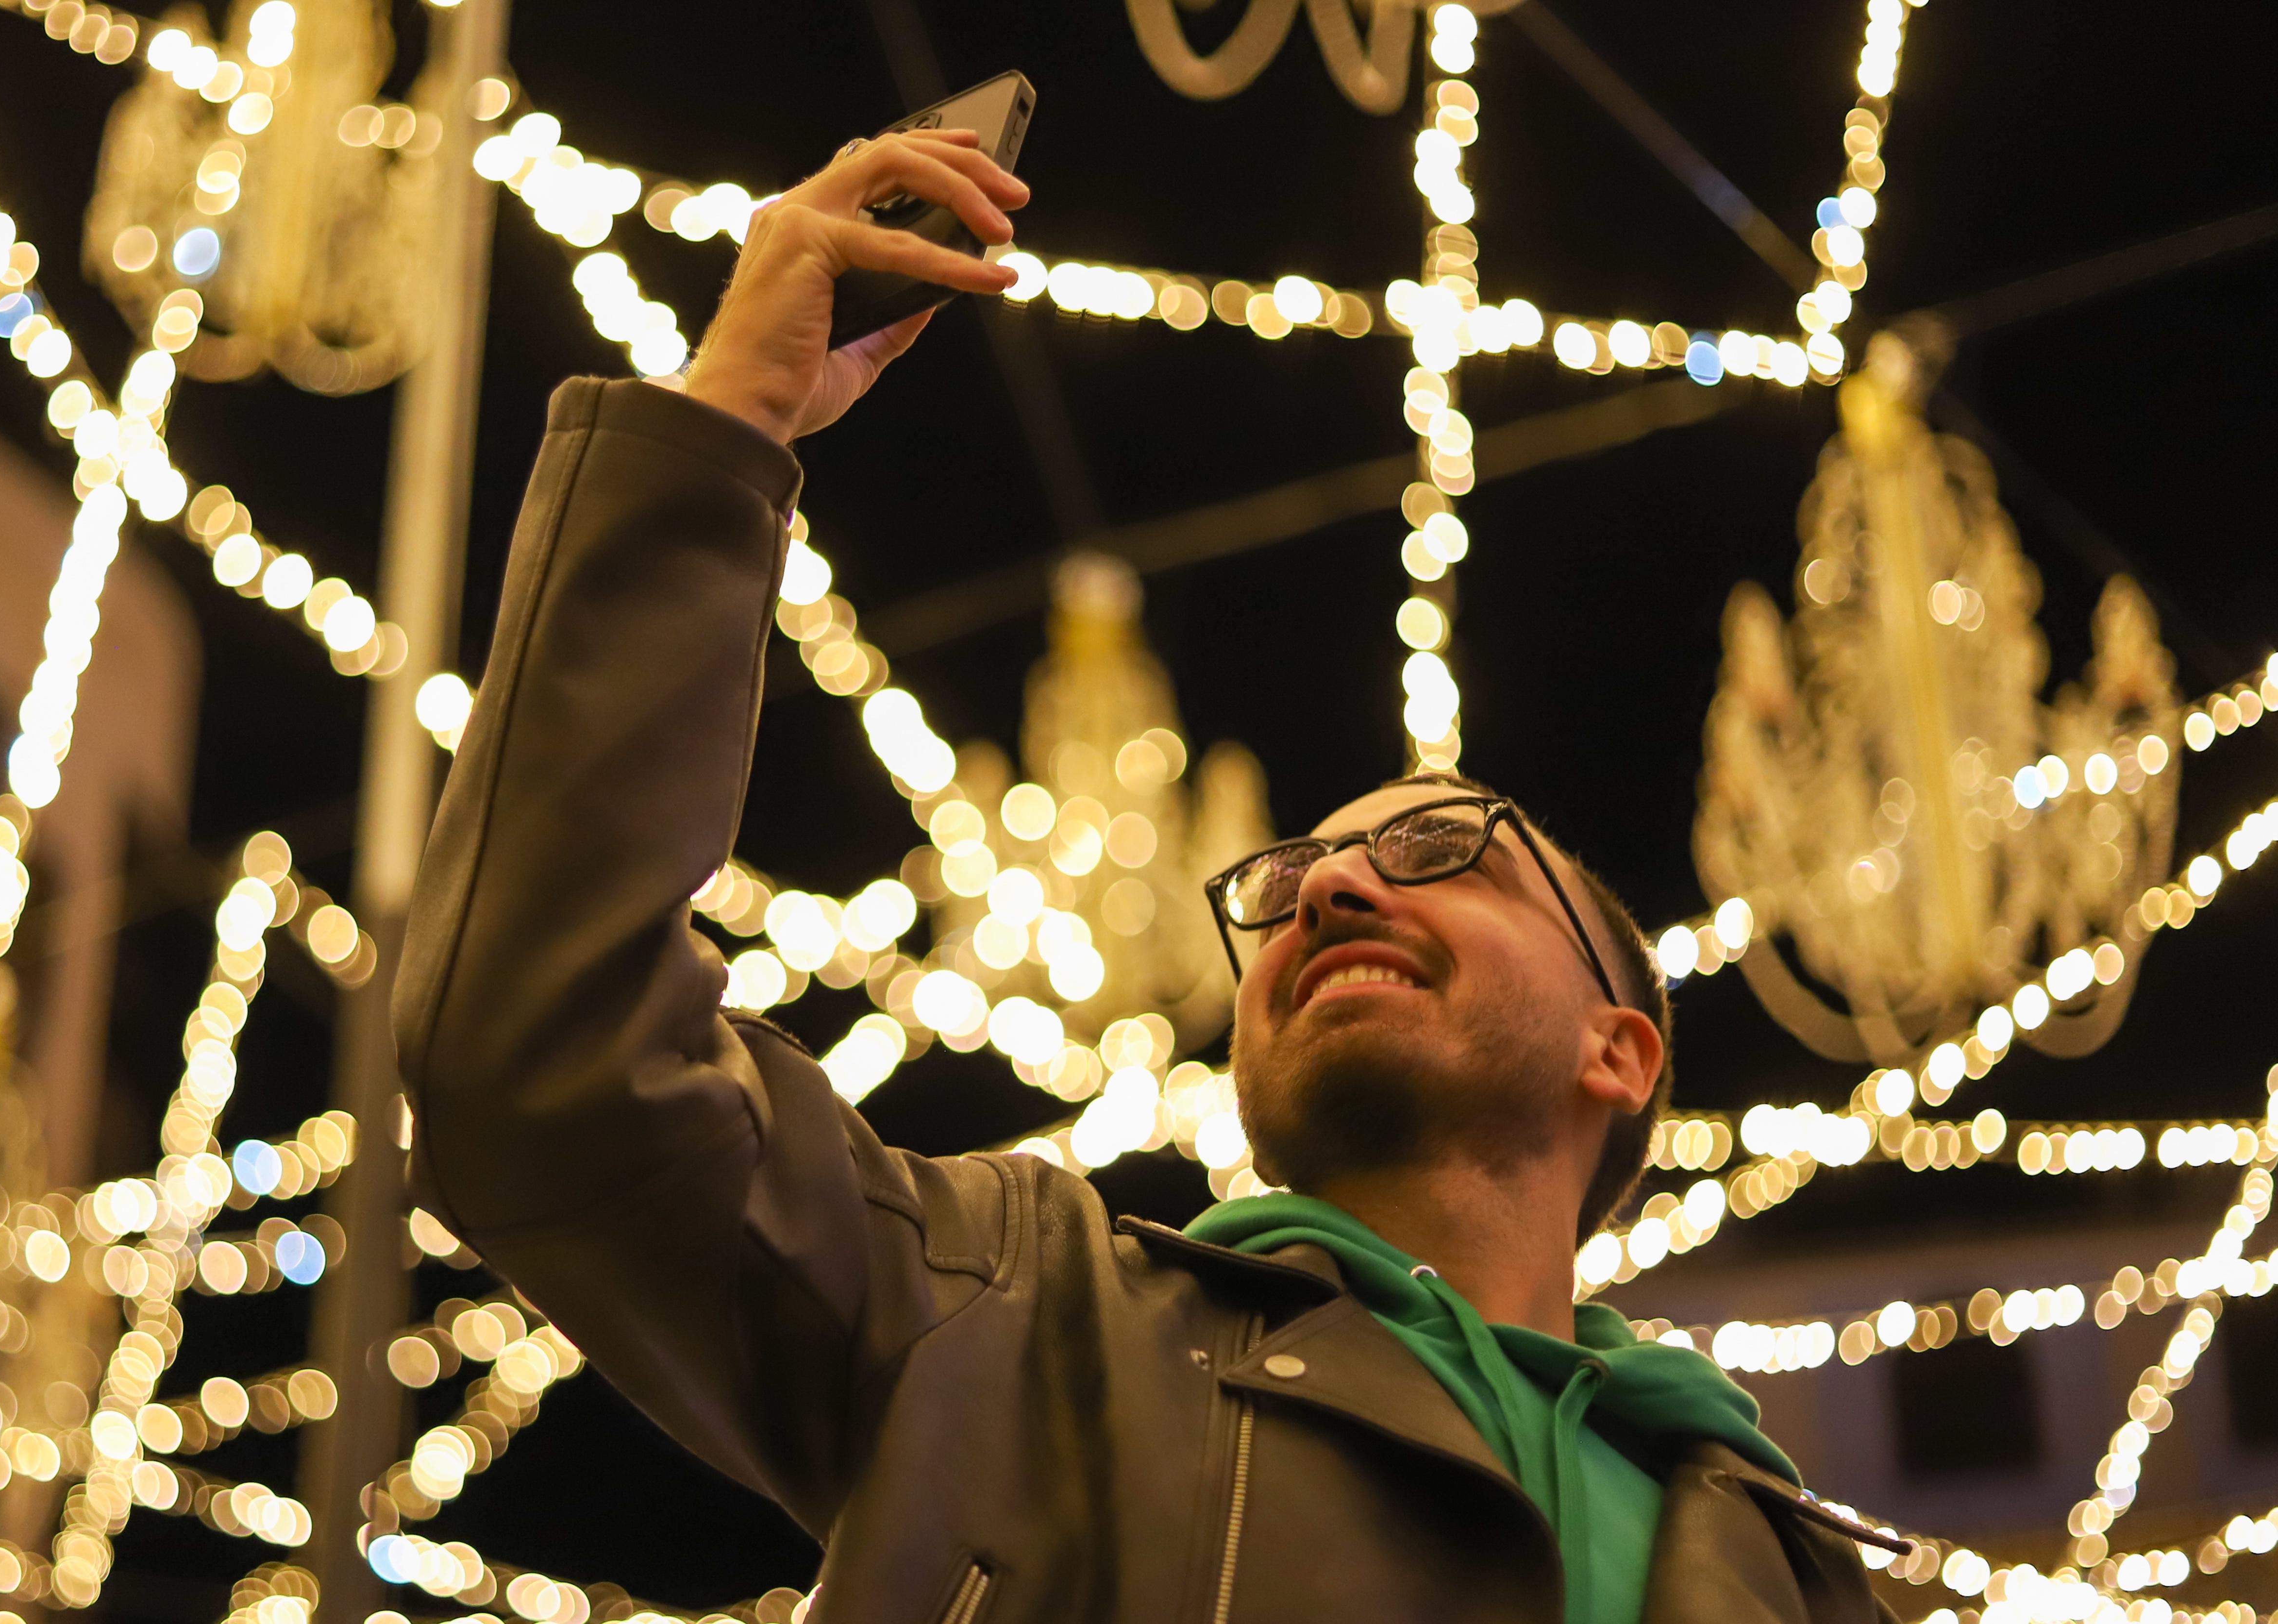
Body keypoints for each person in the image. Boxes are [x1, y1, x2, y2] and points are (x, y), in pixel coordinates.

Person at [395, 128, 1899, 1624]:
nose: (1326, 892)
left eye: (1440, 854)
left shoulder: (1787, 1565)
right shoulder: (1016, 1314)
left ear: (1618, 1049)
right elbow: (554, 1066)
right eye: (1296, 872)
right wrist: (723, 415)